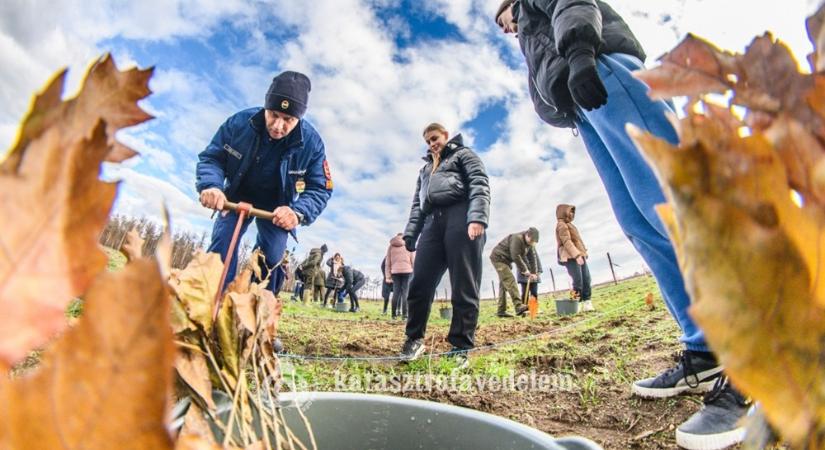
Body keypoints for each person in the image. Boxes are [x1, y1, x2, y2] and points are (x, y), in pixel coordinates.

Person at [494, 2, 748, 448]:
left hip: (600, 67)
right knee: (641, 222)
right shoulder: (528, 33)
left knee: (675, 202)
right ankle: (706, 346)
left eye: (505, 20)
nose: (508, 29)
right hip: (582, 107)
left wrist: (577, 55)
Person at [196, 71, 333, 295]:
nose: (278, 126)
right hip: (236, 196)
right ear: (265, 107)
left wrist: (297, 213)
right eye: (273, 115)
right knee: (222, 248)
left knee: (272, 257)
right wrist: (211, 185)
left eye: (288, 120)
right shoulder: (239, 123)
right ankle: (215, 306)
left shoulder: (312, 144)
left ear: (299, 118)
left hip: (277, 206)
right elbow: (212, 158)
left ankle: (256, 312)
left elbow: (320, 188)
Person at [399, 123, 490, 369]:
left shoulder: (464, 154)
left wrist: (477, 218)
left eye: (435, 138)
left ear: (446, 136)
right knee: (419, 283)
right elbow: (417, 205)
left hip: (460, 217)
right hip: (432, 223)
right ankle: (414, 339)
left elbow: (479, 183)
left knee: (464, 283)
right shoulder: (425, 170)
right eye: (428, 141)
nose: (432, 144)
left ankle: (460, 346)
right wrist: (411, 233)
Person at [490, 228, 539, 318]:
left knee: (503, 285)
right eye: (531, 240)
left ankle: (501, 311)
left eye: (533, 242)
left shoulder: (529, 244)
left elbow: (532, 258)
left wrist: (534, 273)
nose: (532, 243)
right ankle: (518, 306)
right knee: (510, 280)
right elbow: (515, 256)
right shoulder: (517, 238)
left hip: (506, 261)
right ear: (527, 235)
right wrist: (525, 270)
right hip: (498, 258)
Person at [555, 204, 593, 310]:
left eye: (573, 212)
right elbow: (566, 241)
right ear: (563, 212)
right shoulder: (561, 225)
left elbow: (577, 241)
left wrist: (583, 253)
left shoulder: (570, 225)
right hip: (571, 256)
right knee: (578, 281)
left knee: (586, 279)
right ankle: (575, 304)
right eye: (570, 211)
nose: (572, 214)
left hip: (579, 255)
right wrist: (576, 255)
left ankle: (587, 302)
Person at [385, 233, 415, 320]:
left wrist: (388, 276)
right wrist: (415, 271)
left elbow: (387, 263)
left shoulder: (391, 246)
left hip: (395, 272)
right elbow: (413, 260)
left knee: (396, 293)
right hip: (408, 271)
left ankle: (393, 315)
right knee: (406, 292)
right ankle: (405, 316)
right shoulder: (408, 244)